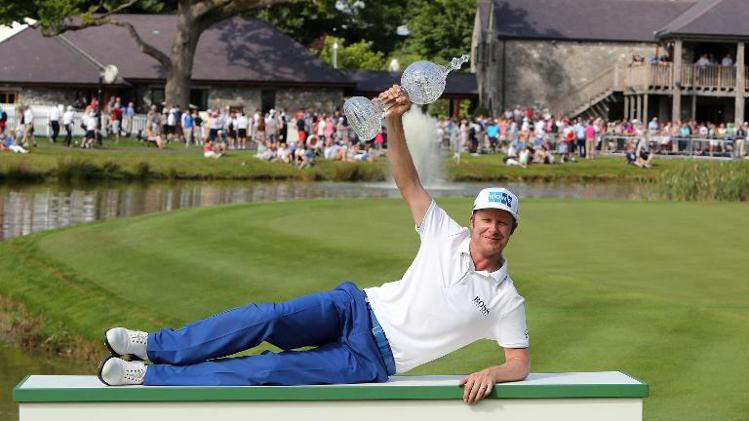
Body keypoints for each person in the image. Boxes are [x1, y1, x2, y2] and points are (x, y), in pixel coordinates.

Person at [97, 85, 529, 405]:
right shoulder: (445, 233)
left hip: (370, 360)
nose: (493, 229)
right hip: (355, 307)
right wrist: (393, 120)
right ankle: (154, 345)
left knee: (268, 369)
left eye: (502, 224)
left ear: (511, 232)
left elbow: (519, 362)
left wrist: (493, 372)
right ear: (473, 221)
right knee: (263, 318)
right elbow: (408, 181)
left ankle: (148, 376)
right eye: (487, 219)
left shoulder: (507, 299)